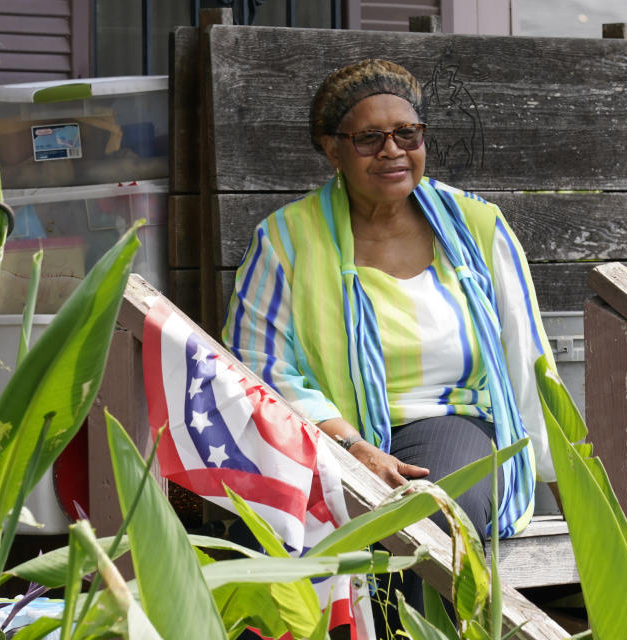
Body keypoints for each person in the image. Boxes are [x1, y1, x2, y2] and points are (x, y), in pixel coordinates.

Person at [222, 58, 568, 622]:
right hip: (329, 439)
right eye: (369, 138)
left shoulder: (476, 226)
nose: (392, 150)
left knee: (424, 517)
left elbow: (527, 358)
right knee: (282, 532)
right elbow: (260, 364)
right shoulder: (285, 239)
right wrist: (352, 447)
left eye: (407, 133)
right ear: (333, 151)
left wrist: (557, 480)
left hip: (454, 423)